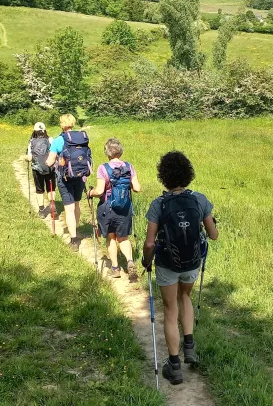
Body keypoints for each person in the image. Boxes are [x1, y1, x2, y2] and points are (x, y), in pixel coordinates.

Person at [142, 151, 218, 386]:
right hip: (192, 262)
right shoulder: (200, 200)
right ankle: (189, 346)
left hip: (167, 264)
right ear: (188, 174)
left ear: (163, 176)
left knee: (170, 308)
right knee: (185, 296)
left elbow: (150, 243)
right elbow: (213, 235)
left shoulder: (159, 204)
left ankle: (174, 366)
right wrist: (211, 224)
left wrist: (146, 261)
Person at [86, 138, 142, 281]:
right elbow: (137, 188)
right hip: (124, 207)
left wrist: (90, 193)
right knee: (123, 237)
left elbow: (99, 191)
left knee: (111, 237)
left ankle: (115, 268)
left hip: (107, 207)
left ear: (107, 152)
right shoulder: (129, 166)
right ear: (120, 151)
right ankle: (130, 261)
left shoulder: (103, 168)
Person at [45, 114, 92, 252]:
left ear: (62, 124)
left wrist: (48, 164)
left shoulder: (59, 140)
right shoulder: (82, 137)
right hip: (80, 176)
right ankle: (75, 229)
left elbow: (50, 161)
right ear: (73, 123)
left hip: (64, 178)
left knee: (69, 208)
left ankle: (74, 239)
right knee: (76, 204)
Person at [25, 122, 55, 218]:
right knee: (51, 189)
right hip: (50, 168)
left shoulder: (31, 141)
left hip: (37, 169)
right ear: (45, 130)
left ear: (35, 131)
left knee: (39, 190)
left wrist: (26, 157)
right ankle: (53, 208)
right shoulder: (50, 139)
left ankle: (41, 210)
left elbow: (29, 158)